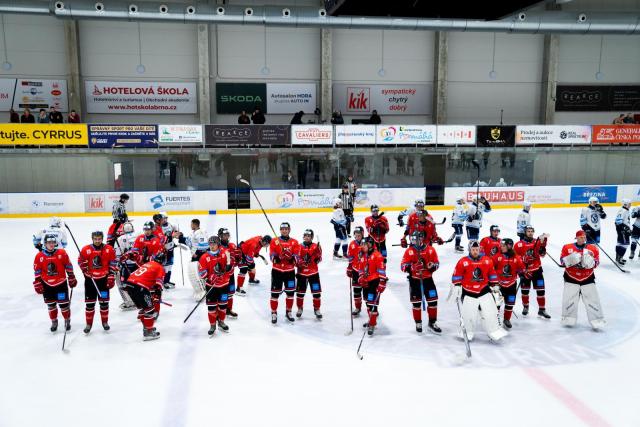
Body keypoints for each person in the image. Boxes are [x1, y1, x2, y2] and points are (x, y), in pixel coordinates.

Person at [450, 241, 507, 342]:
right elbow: (456, 276)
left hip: (484, 290)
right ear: (469, 250)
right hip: (469, 292)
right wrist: (457, 286)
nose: (475, 251)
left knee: (490, 312)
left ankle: (493, 330)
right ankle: (468, 331)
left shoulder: (487, 260)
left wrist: (495, 285)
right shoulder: (463, 261)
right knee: (469, 314)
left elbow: (492, 274)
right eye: (473, 250)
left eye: (477, 249)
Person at [560, 230, 605, 330]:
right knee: (570, 299)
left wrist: (591, 262)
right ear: (576, 238)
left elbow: (597, 263)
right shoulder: (567, 247)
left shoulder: (593, 248)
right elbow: (562, 261)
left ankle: (597, 320)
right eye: (581, 237)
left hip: (587, 278)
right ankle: (568, 318)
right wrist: (571, 259)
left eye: (584, 237)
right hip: (571, 277)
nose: (583, 239)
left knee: (592, 299)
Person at [33, 234, 77, 332]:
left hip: (61, 283)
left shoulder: (62, 253)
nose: (51, 244)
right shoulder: (39, 256)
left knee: (64, 305)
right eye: (49, 242)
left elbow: (68, 265)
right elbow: (37, 270)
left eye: (53, 242)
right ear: (45, 243)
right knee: (51, 305)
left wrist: (71, 276)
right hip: (47, 284)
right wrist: (37, 282)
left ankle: (67, 320)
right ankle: (54, 321)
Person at [400, 231, 441, 334]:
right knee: (416, 303)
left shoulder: (430, 250)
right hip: (414, 280)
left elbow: (437, 263)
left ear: (421, 239)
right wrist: (412, 267)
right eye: (412, 238)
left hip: (428, 279)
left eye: (416, 239)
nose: (413, 241)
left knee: (433, 301)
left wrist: (432, 266)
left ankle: (432, 322)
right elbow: (403, 266)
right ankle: (418, 322)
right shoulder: (409, 251)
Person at [78, 231, 117, 333]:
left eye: (99, 239)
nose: (97, 241)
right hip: (90, 280)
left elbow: (113, 262)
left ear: (102, 238)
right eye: (95, 239)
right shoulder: (86, 249)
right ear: (92, 239)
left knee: (104, 304)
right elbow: (80, 261)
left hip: (104, 280)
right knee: (90, 304)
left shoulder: (109, 249)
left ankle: (105, 322)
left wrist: (111, 275)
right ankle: (88, 324)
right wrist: (84, 267)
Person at [124, 252, 165, 341]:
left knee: (144, 308)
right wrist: (157, 294)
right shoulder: (160, 267)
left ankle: (147, 328)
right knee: (150, 310)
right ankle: (148, 333)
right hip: (139, 287)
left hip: (129, 284)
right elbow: (159, 283)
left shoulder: (148, 264)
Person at [514, 226, 550, 318]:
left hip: (537, 270)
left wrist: (542, 251)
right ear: (525, 232)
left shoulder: (537, 242)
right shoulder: (518, 244)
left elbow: (542, 255)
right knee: (525, 291)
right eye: (528, 231)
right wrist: (521, 269)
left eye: (531, 231)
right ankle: (525, 307)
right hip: (526, 271)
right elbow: (515, 259)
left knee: (541, 291)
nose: (530, 233)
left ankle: (542, 309)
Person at [198, 236, 232, 335]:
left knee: (223, 306)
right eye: (211, 244)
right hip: (211, 286)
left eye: (214, 244)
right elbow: (202, 273)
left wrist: (227, 270)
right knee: (212, 307)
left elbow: (229, 268)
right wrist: (212, 277)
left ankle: (221, 322)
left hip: (223, 285)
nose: (212, 246)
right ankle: (212, 325)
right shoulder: (204, 257)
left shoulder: (224, 254)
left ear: (218, 244)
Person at [269, 222, 300, 324]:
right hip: (277, 271)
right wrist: (279, 257)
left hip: (289, 272)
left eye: (286, 229)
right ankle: (274, 313)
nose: (284, 230)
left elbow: (297, 258)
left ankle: (289, 312)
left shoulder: (295, 242)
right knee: (275, 294)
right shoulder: (275, 241)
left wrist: (291, 257)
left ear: (289, 230)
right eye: (282, 229)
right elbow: (272, 257)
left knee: (290, 293)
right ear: (280, 230)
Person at [356, 237, 387, 336]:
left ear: (369, 245)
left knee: (372, 304)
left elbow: (382, 270)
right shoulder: (363, 255)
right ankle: (371, 320)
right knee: (367, 302)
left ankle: (372, 324)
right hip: (366, 282)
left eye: (364, 244)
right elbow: (360, 269)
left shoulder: (377, 255)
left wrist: (382, 283)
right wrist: (360, 277)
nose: (362, 246)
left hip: (374, 282)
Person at [492, 238, 524, 329]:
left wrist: (522, 273)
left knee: (510, 303)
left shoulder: (516, 257)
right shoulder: (497, 257)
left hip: (511, 284)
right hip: (499, 285)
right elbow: (490, 268)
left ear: (509, 246)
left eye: (503, 246)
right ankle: (494, 320)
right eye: (501, 246)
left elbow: (521, 268)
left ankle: (507, 319)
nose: (501, 247)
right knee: (497, 303)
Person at [295, 229, 323, 319]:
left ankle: (317, 309)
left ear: (311, 237)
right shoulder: (299, 246)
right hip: (302, 274)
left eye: (309, 236)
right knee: (300, 293)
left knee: (316, 293)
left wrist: (317, 258)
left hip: (313, 273)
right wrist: (301, 263)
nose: (307, 237)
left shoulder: (315, 246)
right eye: (305, 235)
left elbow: (319, 258)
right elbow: (296, 259)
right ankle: (299, 308)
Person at [184, 218, 209, 300]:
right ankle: (203, 288)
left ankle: (203, 289)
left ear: (195, 224)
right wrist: (180, 237)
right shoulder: (194, 233)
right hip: (197, 256)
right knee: (197, 273)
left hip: (199, 256)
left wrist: (197, 254)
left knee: (199, 273)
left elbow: (205, 245)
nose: (190, 226)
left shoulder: (200, 233)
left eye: (191, 224)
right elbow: (189, 241)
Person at [114, 222, 137, 310]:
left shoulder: (120, 239)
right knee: (137, 282)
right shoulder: (138, 236)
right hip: (138, 264)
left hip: (126, 265)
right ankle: (138, 299)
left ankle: (129, 302)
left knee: (122, 284)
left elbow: (118, 255)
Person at [218, 227, 240, 318]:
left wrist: (238, 257)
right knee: (222, 295)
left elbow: (235, 260)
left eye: (227, 235)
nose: (226, 237)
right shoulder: (218, 247)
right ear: (220, 236)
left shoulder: (232, 245)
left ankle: (228, 310)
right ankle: (219, 313)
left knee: (230, 293)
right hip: (222, 276)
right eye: (224, 235)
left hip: (231, 274)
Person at [157, 212, 181, 289]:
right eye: (163, 218)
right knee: (164, 266)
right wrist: (171, 235)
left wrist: (178, 234)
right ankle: (163, 282)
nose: (165, 220)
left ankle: (167, 281)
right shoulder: (158, 228)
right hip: (163, 249)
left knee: (170, 265)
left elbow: (176, 233)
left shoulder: (171, 225)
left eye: (166, 218)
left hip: (171, 248)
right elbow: (160, 238)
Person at [346, 226, 366, 316]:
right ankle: (357, 307)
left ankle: (370, 308)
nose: (357, 236)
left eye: (359, 235)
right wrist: (349, 267)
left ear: (362, 234)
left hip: (366, 271)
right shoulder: (352, 244)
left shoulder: (367, 243)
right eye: (356, 235)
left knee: (367, 291)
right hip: (355, 270)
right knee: (357, 290)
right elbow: (350, 257)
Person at [615, 199, 632, 265]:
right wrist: (624, 229)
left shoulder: (625, 210)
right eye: (629, 204)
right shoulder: (623, 211)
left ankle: (618, 258)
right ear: (625, 204)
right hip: (623, 231)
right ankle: (620, 258)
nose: (630, 205)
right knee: (625, 244)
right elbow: (618, 222)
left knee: (620, 243)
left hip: (623, 230)